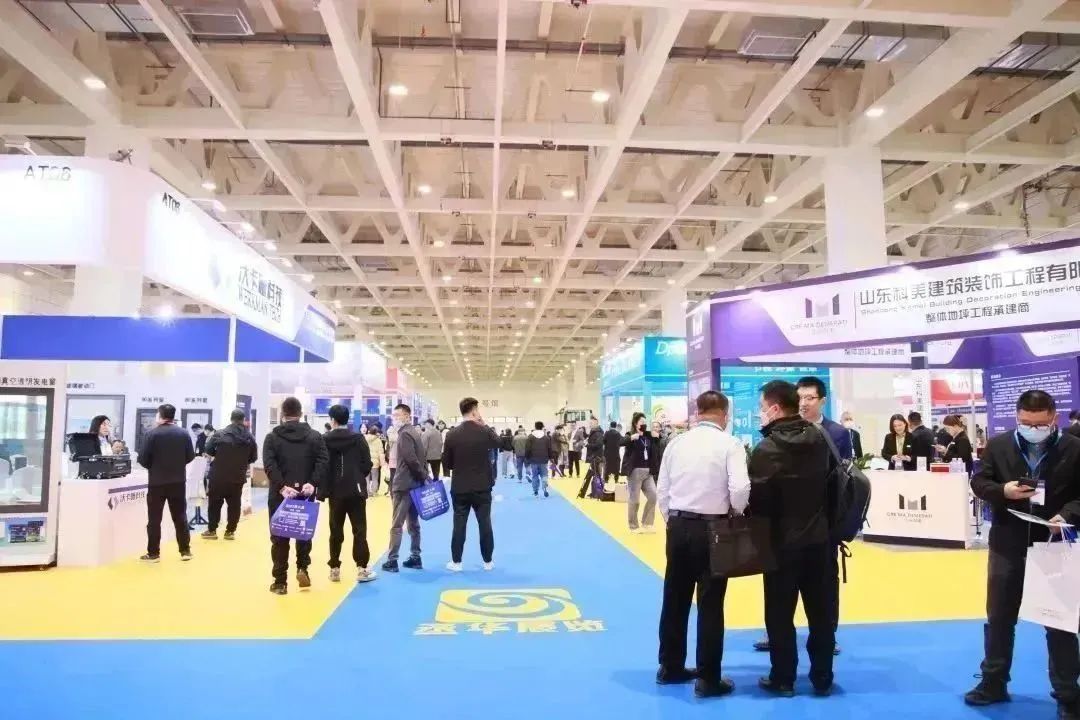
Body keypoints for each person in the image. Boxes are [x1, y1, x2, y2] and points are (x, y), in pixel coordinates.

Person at [966, 390, 1080, 719]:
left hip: (1056, 543)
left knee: (1059, 622)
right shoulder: (999, 445)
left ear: (1053, 418)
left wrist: (1068, 515)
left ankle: (1068, 693)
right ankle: (993, 682)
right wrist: (1002, 491)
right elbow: (979, 481)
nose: (1033, 429)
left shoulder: (1074, 448)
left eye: (1040, 424)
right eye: (1026, 423)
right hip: (1007, 541)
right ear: (1017, 418)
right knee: (1000, 617)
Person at [656, 391, 749, 699]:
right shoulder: (730, 444)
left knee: (675, 598)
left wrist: (672, 519)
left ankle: (670, 667)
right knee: (710, 603)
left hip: (678, 526)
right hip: (714, 529)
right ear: (724, 414)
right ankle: (708, 678)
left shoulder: (676, 443)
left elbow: (663, 489)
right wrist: (735, 512)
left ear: (698, 413)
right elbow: (740, 489)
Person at [750, 380, 837, 698]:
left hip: (780, 545)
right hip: (819, 540)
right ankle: (823, 677)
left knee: (779, 615)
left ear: (774, 408)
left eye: (762, 407)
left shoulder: (767, 448)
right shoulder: (820, 438)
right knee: (821, 614)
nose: (760, 413)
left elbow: (757, 501)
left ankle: (783, 678)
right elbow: (834, 485)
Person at [263, 397, 327, 595]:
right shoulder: (315, 436)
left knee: (279, 536)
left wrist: (282, 486)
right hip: (305, 494)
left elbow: (269, 465)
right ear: (300, 413)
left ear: (283, 414)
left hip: (280, 495)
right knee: (303, 533)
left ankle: (280, 582)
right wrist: (312, 483)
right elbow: (323, 461)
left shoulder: (272, 437)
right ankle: (302, 568)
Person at [442, 397, 499, 572]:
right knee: (485, 523)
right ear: (474, 411)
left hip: (460, 487)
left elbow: (447, 463)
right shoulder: (484, 431)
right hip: (482, 486)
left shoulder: (451, 434)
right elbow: (500, 443)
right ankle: (488, 561)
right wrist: (485, 425)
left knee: (459, 525)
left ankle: (456, 562)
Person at [321, 404, 376, 584]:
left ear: (332, 420)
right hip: (356, 491)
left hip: (335, 493)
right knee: (359, 530)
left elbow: (322, 465)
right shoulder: (358, 438)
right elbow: (367, 464)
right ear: (348, 419)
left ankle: (334, 569)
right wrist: (357, 476)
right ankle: (362, 569)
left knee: (335, 530)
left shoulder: (325, 439)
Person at [137, 403, 195, 563]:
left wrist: (155, 467)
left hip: (157, 483)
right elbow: (190, 456)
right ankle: (185, 551)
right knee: (180, 516)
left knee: (154, 519)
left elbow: (143, 459)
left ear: (159, 415)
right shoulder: (183, 433)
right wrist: (177, 465)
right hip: (178, 482)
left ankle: (153, 553)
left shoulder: (151, 434)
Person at [383, 403, 428, 573]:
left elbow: (411, 459)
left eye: (397, 415)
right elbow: (420, 458)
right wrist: (423, 477)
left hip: (403, 485)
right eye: (393, 415)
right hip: (415, 485)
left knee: (397, 524)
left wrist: (422, 475)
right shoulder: (414, 432)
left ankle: (392, 560)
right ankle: (415, 557)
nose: (394, 418)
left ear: (407, 416)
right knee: (413, 524)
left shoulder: (404, 434)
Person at [202, 409, 257, 541]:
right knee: (234, 505)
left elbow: (208, 450)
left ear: (231, 419)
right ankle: (230, 532)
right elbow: (253, 457)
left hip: (218, 476)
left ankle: (212, 530)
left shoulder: (219, 434)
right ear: (243, 420)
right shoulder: (250, 437)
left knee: (214, 504)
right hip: (237, 477)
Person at [623, 412, 659, 533]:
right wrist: (630, 438)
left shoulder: (648, 436)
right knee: (635, 500)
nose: (644, 424)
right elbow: (620, 442)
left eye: (645, 422)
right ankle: (633, 526)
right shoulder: (630, 435)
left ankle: (647, 523)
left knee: (653, 496)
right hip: (635, 472)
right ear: (635, 424)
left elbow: (657, 444)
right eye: (641, 422)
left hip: (648, 472)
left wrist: (657, 437)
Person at [524, 421, 556, 498]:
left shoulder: (530, 437)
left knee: (535, 476)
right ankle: (544, 487)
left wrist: (527, 458)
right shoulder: (546, 438)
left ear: (535, 427)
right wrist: (551, 458)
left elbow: (527, 449)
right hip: (544, 460)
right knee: (544, 474)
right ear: (542, 427)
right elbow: (549, 449)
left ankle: (535, 491)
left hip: (533, 460)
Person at [577, 417, 606, 498]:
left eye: (591, 423)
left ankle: (597, 493)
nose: (590, 425)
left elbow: (598, 445)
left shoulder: (598, 433)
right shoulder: (593, 432)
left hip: (596, 457)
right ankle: (594, 492)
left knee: (596, 476)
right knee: (593, 475)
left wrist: (587, 445)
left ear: (596, 423)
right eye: (589, 423)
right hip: (593, 457)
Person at [366, 424, 385, 497]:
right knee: (375, 478)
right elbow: (381, 452)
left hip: (366, 461)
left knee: (366, 478)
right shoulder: (378, 440)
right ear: (376, 432)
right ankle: (374, 492)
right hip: (375, 462)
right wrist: (382, 463)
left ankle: (367, 492)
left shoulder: (365, 438)